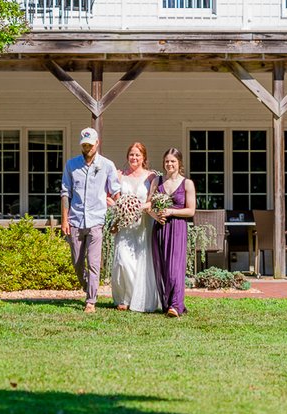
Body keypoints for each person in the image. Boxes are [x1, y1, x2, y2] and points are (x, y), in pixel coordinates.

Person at [61, 127, 120, 313]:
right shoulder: (71, 165)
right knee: (77, 263)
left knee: (93, 262)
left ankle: (91, 301)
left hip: (96, 220)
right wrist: (64, 220)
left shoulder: (107, 165)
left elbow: (115, 191)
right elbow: (65, 193)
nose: (87, 147)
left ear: (97, 143)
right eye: (84, 144)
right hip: (75, 219)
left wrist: (120, 213)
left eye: (90, 144)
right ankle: (88, 287)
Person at [111, 142, 161, 313]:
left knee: (140, 261)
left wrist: (138, 207)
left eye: (138, 155)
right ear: (127, 157)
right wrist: (120, 209)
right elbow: (112, 198)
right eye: (131, 154)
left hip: (143, 224)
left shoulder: (151, 177)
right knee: (122, 261)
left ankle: (138, 298)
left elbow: (152, 201)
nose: (134, 158)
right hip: (124, 224)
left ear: (144, 158)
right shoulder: (119, 175)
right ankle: (124, 298)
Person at [150, 147, 196, 317]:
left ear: (179, 163)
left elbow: (190, 211)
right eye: (167, 161)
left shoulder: (187, 183)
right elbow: (149, 205)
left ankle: (176, 305)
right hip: (160, 228)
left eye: (173, 161)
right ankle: (167, 302)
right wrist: (156, 216)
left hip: (177, 227)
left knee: (175, 267)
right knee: (162, 265)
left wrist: (170, 212)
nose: (169, 164)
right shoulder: (157, 181)